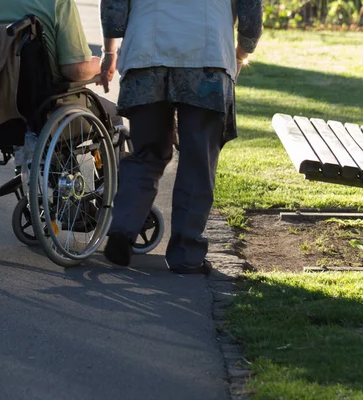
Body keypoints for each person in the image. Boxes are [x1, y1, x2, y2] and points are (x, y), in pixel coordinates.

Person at [100, 0, 263, 273]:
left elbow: (114, 10)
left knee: (146, 155)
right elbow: (250, 13)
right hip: (207, 59)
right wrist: (240, 52)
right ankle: (186, 254)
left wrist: (109, 51)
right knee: (197, 159)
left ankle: (123, 230)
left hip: (145, 57)